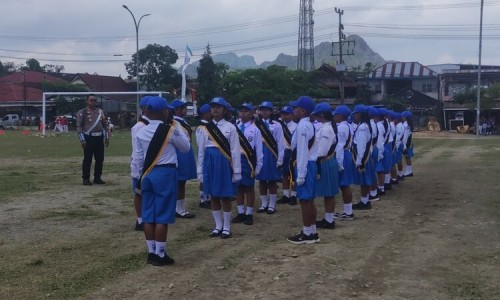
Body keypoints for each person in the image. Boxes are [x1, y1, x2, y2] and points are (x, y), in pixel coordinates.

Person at [132, 96, 191, 266]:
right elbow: (185, 147)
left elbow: (137, 158)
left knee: (149, 215)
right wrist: (176, 126)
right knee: (163, 215)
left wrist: (137, 177)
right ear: (164, 111)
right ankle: (160, 253)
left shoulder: (141, 131)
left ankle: (151, 252)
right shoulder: (169, 130)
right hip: (165, 172)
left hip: (147, 174)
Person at [197, 97, 241, 239]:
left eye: (218, 107)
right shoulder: (205, 128)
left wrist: (237, 170)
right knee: (213, 195)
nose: (215, 109)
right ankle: (218, 225)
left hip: (223, 162)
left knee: (225, 195)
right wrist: (200, 170)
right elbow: (201, 150)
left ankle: (227, 227)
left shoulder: (230, 127)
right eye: (213, 106)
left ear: (224, 110)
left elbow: (235, 150)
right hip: (210, 161)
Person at [287, 96, 319, 244]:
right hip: (309, 164)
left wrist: (300, 174)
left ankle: (307, 233)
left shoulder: (302, 126)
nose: (293, 110)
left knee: (305, 200)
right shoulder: (309, 124)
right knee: (309, 200)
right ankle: (312, 230)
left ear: (302, 110)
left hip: (304, 164)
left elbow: (301, 152)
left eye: (295, 108)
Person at [232, 103, 263, 226]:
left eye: (246, 111)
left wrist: (259, 165)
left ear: (251, 113)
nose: (243, 113)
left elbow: (259, 149)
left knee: (249, 187)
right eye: (241, 111)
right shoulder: (234, 127)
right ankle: (241, 212)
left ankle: (249, 213)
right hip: (236, 159)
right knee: (238, 186)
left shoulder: (255, 129)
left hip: (249, 161)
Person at [311, 103, 339, 230]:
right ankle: (328, 219)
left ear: (321, 115)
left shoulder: (326, 129)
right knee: (329, 193)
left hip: (324, 161)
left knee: (328, 193)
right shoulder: (326, 127)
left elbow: (322, 151)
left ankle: (329, 220)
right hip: (327, 160)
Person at [255, 101, 285, 214]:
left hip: (272, 154)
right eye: (262, 109)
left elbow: (280, 143)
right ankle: (263, 203)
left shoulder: (277, 125)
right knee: (262, 180)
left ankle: (272, 204)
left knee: (272, 180)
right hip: (260, 153)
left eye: (267, 110)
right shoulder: (256, 124)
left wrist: (280, 158)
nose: (264, 112)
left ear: (271, 111)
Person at [171, 99, 197, 219]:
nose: (186, 110)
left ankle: (180, 207)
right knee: (179, 182)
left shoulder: (182, 121)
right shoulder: (175, 122)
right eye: (183, 108)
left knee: (182, 182)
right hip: (180, 153)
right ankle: (179, 209)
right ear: (177, 110)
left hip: (185, 153)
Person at [76, 94, 109, 185]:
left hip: (99, 138)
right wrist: (82, 139)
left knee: (100, 159)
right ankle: (86, 178)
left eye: (95, 100)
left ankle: (97, 177)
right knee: (88, 159)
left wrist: (107, 137)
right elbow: (79, 126)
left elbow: (105, 125)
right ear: (87, 101)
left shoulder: (100, 112)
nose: (93, 102)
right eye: (91, 100)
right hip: (88, 137)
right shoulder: (83, 112)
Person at [130, 96, 152, 231]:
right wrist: (137, 170)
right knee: (139, 193)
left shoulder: (154, 124)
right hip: (141, 165)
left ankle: (148, 217)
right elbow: (137, 150)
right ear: (144, 109)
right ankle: (140, 220)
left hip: (152, 164)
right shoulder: (140, 126)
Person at [333, 105, 355, 220]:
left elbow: (339, 146)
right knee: (345, 184)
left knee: (344, 185)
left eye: (336, 115)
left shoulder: (341, 128)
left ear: (340, 116)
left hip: (342, 155)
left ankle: (348, 212)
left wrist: (339, 164)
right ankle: (348, 211)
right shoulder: (348, 126)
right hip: (346, 154)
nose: (334, 117)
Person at [351, 105, 376, 210]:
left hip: (363, 157)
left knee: (364, 181)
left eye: (355, 114)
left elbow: (361, 145)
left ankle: (364, 201)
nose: (354, 117)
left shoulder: (362, 127)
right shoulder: (366, 125)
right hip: (365, 156)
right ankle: (365, 200)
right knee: (364, 181)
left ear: (359, 114)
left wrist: (359, 161)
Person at [276, 105, 298, 205]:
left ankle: (293, 195)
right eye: (283, 114)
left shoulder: (296, 126)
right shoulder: (278, 126)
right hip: (282, 152)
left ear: (292, 115)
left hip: (292, 152)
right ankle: (285, 195)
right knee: (284, 174)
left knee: (293, 174)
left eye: (287, 114)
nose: (284, 116)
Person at [195, 104, 212, 209]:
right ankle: (202, 199)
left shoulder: (207, 126)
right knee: (203, 178)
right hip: (205, 154)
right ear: (206, 114)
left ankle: (208, 197)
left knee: (208, 177)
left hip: (208, 154)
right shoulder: (202, 127)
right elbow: (201, 144)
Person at [401, 111, 414, 177]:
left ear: (405, 117)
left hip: (407, 143)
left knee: (407, 157)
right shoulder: (408, 125)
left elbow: (405, 136)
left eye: (402, 116)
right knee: (407, 157)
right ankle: (409, 170)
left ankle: (409, 171)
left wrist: (404, 146)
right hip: (409, 142)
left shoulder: (405, 125)